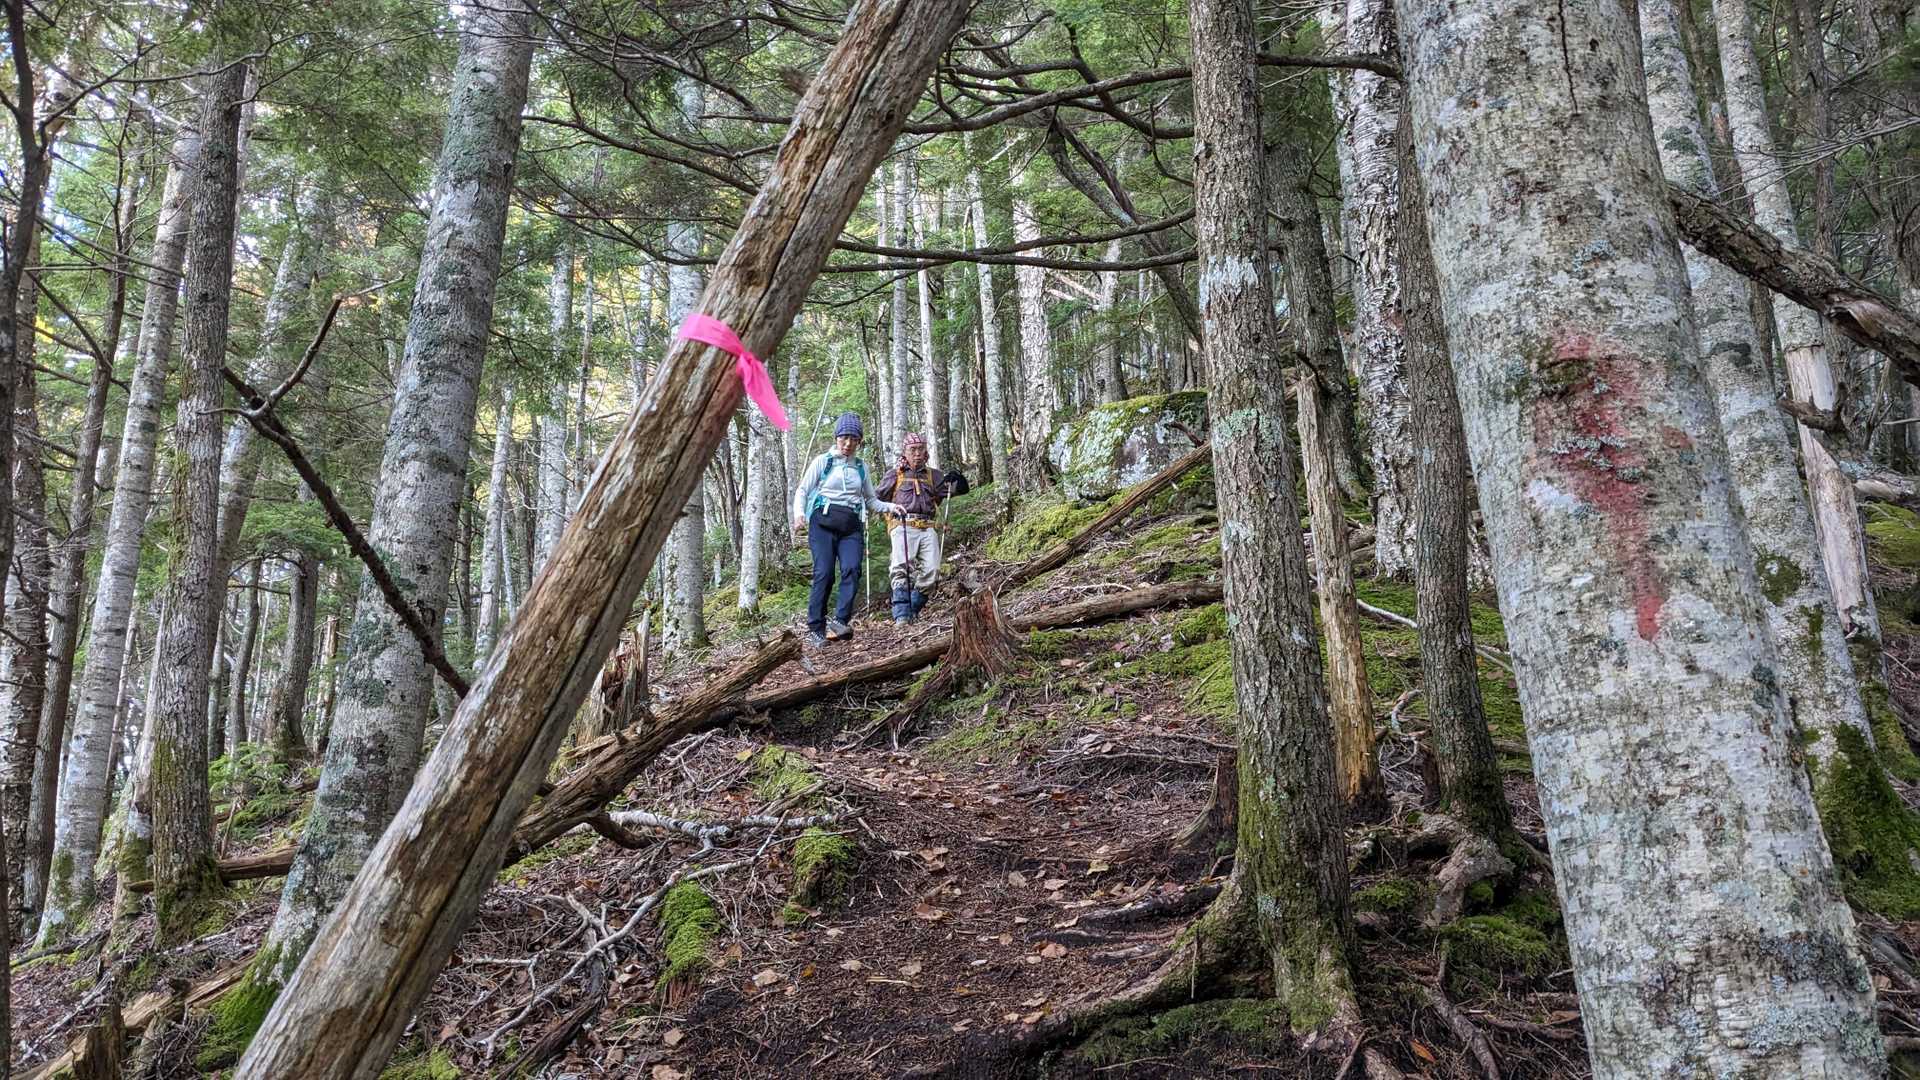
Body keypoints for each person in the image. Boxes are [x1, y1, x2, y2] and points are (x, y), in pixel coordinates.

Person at [792, 413, 902, 646]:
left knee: (852, 569)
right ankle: (815, 628)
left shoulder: (861, 467)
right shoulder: (823, 461)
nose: (848, 443)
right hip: (822, 524)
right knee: (824, 573)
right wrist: (799, 514)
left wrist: (891, 507)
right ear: (836, 438)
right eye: (844, 438)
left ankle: (840, 621)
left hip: (851, 526)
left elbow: (870, 500)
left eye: (854, 439)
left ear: (859, 441)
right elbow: (802, 490)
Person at [877, 432, 946, 625]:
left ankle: (913, 608)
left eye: (921, 449)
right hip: (902, 525)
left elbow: (951, 491)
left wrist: (957, 482)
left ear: (926, 451)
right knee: (900, 568)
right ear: (905, 452)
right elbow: (876, 498)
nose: (917, 453)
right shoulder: (895, 475)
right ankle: (901, 615)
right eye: (913, 449)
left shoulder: (933, 475)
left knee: (932, 570)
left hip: (928, 526)